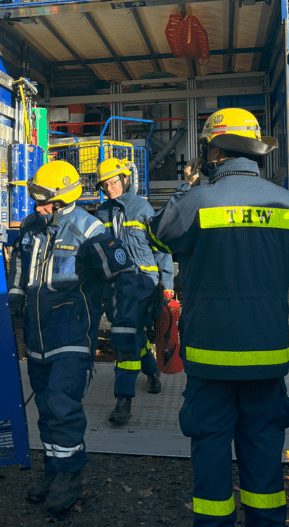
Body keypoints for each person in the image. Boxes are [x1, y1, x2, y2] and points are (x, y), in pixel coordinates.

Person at [148, 108, 289, 527]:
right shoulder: (286, 203)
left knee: (211, 446)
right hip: (267, 355)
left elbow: (156, 234)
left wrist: (187, 186)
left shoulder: (198, 200)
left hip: (210, 357)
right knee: (264, 448)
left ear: (214, 152)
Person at [8, 160, 146, 514]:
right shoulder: (31, 226)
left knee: (62, 405)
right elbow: (20, 263)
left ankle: (70, 475)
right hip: (37, 339)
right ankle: (53, 470)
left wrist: (123, 326)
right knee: (44, 408)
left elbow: (124, 276)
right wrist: (15, 297)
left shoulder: (90, 231)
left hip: (71, 336)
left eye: (43, 201)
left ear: (63, 199)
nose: (37, 208)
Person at [93, 157, 173, 425]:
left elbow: (160, 248)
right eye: (104, 185)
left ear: (126, 179)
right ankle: (151, 372)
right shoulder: (101, 214)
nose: (110, 188)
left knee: (125, 336)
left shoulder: (142, 208)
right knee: (133, 333)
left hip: (143, 285)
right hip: (115, 287)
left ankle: (123, 400)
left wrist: (166, 285)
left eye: (113, 182)